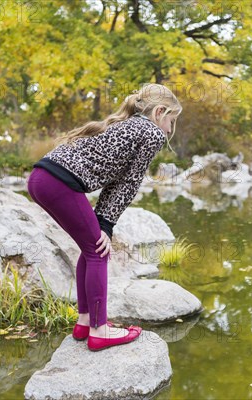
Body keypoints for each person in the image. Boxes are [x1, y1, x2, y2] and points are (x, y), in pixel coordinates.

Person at [27, 83, 182, 351]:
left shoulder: (130, 125)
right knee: (98, 252)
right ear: (159, 112)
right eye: (171, 121)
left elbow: (116, 181)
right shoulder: (151, 132)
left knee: (91, 249)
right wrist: (106, 224)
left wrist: (102, 223)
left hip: (41, 178)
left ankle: (85, 322)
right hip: (59, 182)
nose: (169, 130)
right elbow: (129, 182)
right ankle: (100, 331)